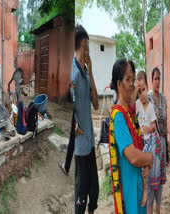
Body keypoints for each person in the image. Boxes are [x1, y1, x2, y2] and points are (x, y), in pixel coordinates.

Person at [109, 59, 153, 214]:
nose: (132, 84)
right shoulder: (119, 116)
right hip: (130, 191)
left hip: (138, 186)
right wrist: (150, 158)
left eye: (133, 80)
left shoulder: (130, 113)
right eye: (128, 80)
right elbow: (133, 157)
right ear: (119, 84)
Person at [72, 24, 99, 214]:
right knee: (81, 195)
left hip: (90, 143)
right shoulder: (72, 73)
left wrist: (91, 71)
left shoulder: (86, 73)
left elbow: (96, 104)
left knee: (94, 190)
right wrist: (75, 128)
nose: (89, 46)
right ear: (84, 43)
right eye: (88, 42)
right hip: (80, 147)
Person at [147, 67, 167, 214]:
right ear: (151, 80)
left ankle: (158, 211)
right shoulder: (147, 98)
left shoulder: (164, 99)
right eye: (155, 79)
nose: (157, 82)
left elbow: (165, 123)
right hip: (152, 146)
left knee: (159, 183)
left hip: (162, 145)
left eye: (159, 78)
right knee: (150, 184)